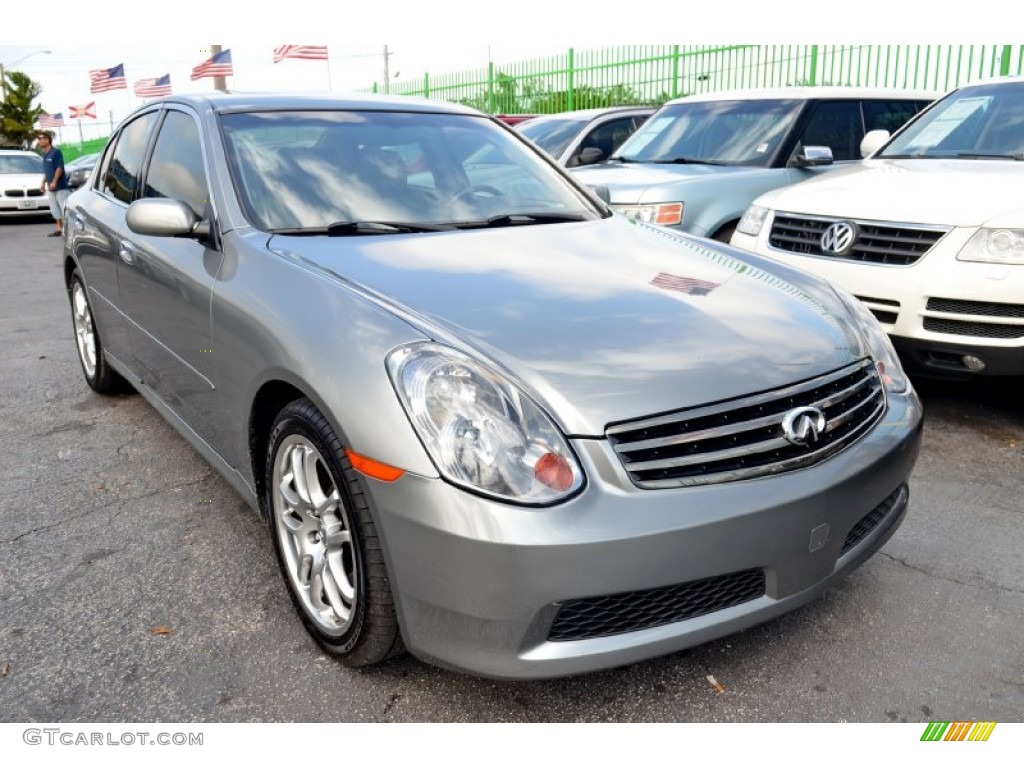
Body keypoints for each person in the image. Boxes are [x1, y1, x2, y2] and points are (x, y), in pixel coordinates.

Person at [37, 130, 70, 238]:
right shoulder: (45, 154)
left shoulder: (56, 152)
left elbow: (59, 168)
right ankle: (58, 229)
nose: (39, 141)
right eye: (39, 139)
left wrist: (55, 181)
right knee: (54, 208)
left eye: (41, 138)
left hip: (60, 187)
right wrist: (43, 183)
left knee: (64, 208)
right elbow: (48, 171)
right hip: (50, 188)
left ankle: (68, 230)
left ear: (47, 140)